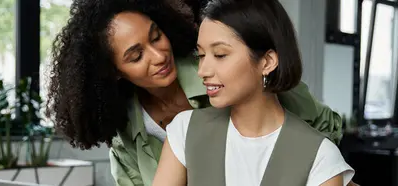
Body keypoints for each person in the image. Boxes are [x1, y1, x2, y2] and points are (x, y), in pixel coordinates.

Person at [46, 0, 343, 185]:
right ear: (113, 72)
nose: (159, 55)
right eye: (136, 56)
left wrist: (323, 171)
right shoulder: (129, 135)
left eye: (156, 36)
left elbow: (320, 134)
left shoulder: (236, 74)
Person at [152, 0, 354, 185]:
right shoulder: (185, 131)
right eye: (201, 55)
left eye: (220, 55)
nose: (202, 71)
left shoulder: (320, 158)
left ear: (267, 62)